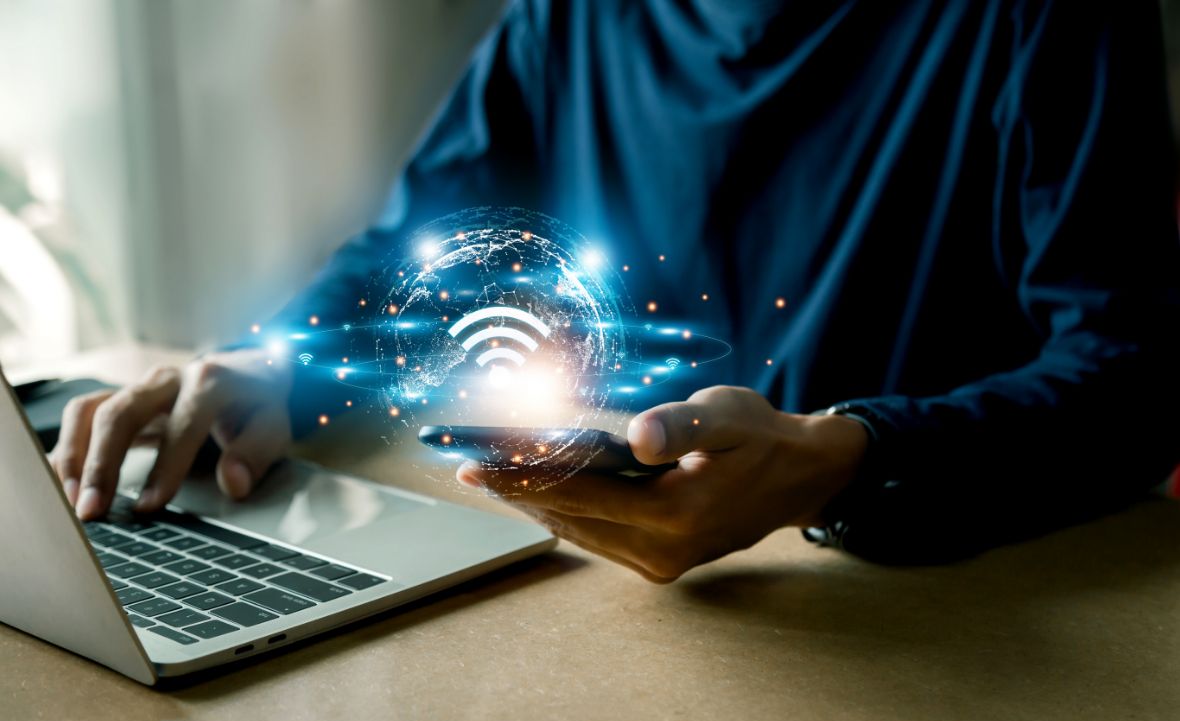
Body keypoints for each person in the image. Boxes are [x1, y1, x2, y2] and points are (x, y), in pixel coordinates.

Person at [50, 1, 1180, 582]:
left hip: (920, 621)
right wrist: (279, 360)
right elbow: (418, 246)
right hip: (604, 605)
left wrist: (847, 454)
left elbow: (1133, 377)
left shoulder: (1041, 17)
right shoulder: (571, 15)